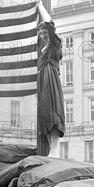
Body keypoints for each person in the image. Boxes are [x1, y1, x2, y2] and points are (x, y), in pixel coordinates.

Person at [36, 21, 65, 157]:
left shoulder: (54, 44)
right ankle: (52, 150)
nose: (43, 36)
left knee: (53, 111)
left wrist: (40, 6)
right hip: (43, 81)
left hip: (51, 79)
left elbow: (50, 25)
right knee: (45, 112)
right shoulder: (43, 48)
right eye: (40, 33)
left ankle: (54, 150)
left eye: (45, 33)